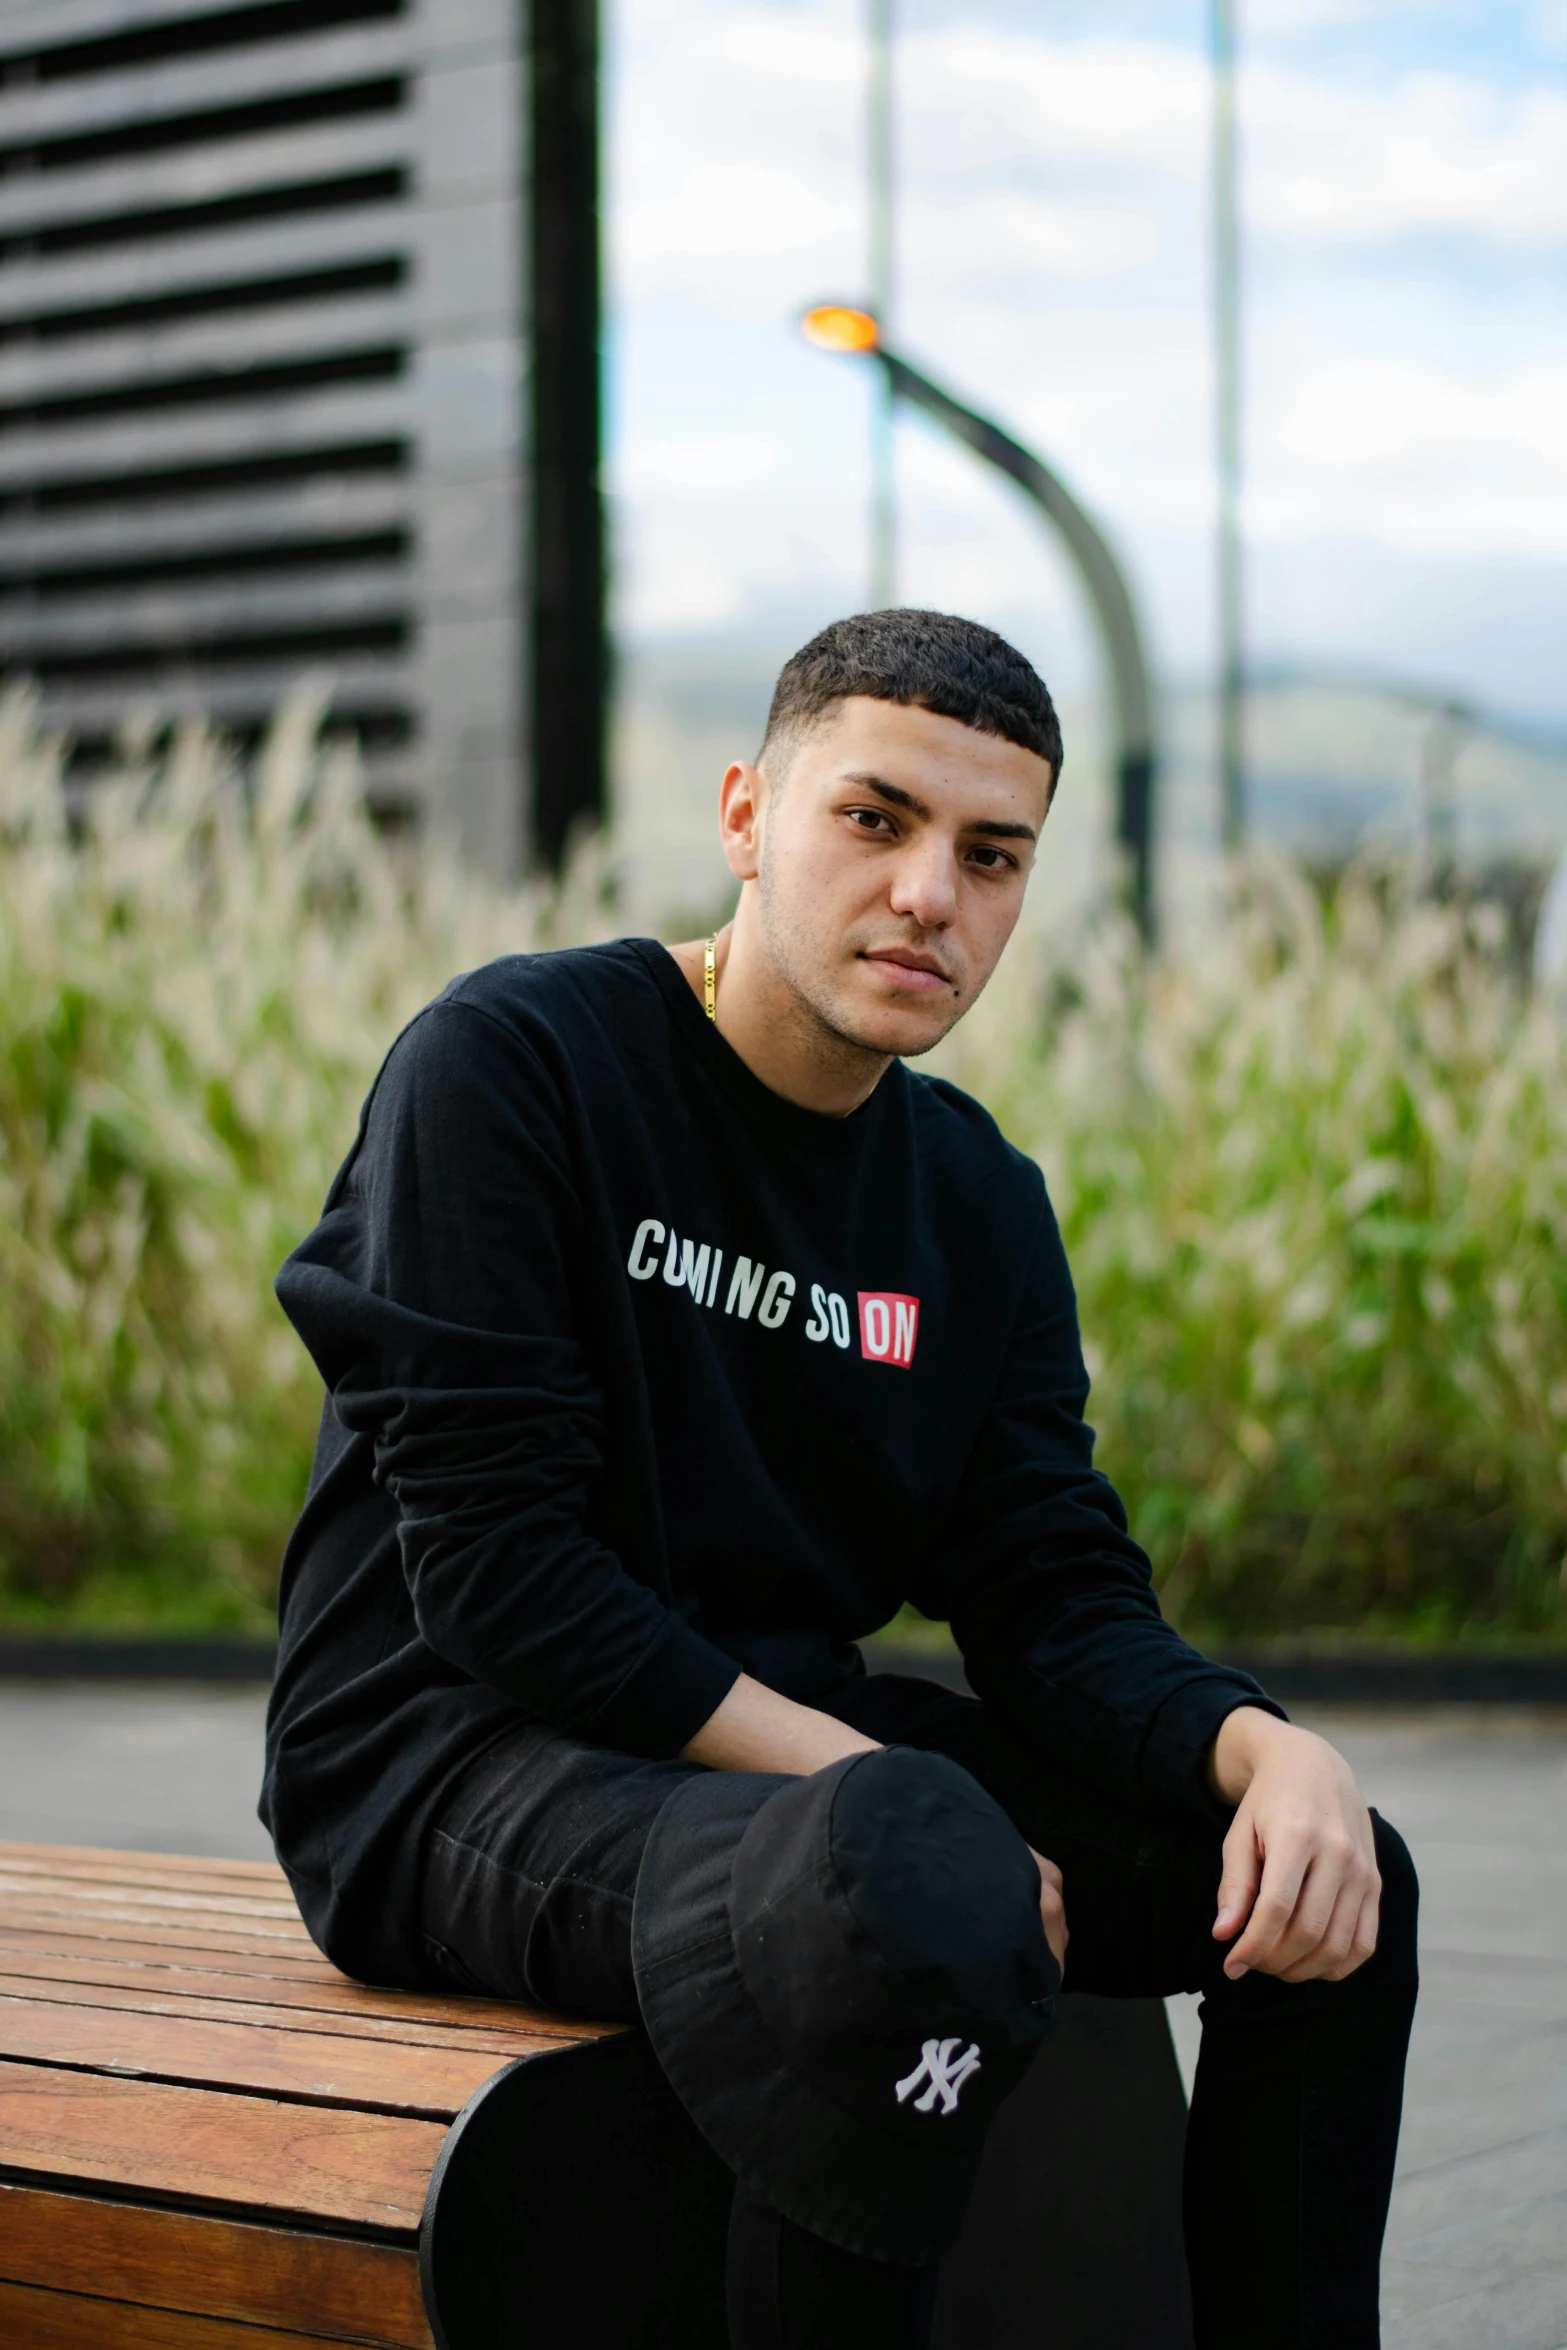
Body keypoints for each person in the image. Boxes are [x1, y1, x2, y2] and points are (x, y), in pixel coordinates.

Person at [263, 609, 1417, 2350]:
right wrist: (886, 1793)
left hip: (783, 1756)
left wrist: (1269, 1749)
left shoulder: (974, 1201)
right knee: (904, 1884)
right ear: (745, 814)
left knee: (1331, 1892)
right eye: (871, 819)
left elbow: (1047, 1593)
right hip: (441, 1750)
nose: (928, 893)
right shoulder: (514, 1065)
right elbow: (497, 1575)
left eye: (989, 853)